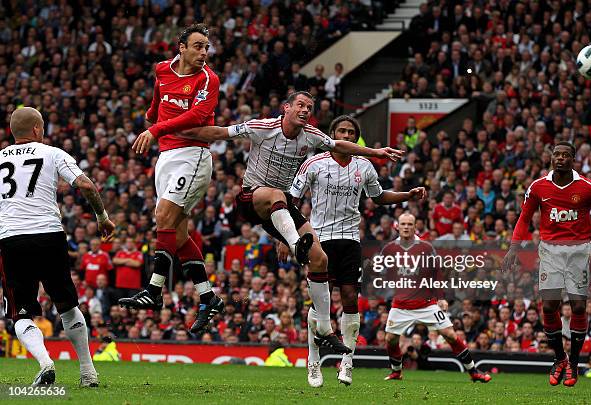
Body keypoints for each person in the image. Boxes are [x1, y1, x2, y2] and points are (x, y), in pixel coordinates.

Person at [174, 91, 403, 351]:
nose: (305, 110)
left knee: (320, 259)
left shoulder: (312, 135)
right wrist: (178, 131)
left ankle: (326, 330)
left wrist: (375, 152)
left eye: (310, 107)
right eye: (301, 105)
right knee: (275, 195)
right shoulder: (262, 127)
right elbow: (219, 133)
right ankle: (295, 243)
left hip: (282, 205)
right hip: (252, 198)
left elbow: (339, 146)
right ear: (286, 108)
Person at [288, 115, 427, 387]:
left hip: (350, 239)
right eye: (341, 130)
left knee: (350, 297)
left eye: (351, 132)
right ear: (331, 134)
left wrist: (406, 196)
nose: (347, 135)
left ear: (356, 136)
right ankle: (314, 360)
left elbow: (378, 197)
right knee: (320, 302)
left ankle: (347, 362)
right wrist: (287, 237)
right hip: (318, 238)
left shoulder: (364, 166)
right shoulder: (314, 163)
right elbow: (292, 199)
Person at [120, 24, 224, 333]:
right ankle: (208, 297)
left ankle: (154, 291)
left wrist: (154, 129)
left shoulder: (209, 80)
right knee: (177, 234)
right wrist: (153, 114)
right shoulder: (162, 69)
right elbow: (158, 95)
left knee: (162, 215)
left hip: (193, 156)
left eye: (206, 47)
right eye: (197, 46)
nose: (204, 52)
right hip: (166, 157)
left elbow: (195, 117)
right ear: (181, 48)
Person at [0, 107, 115, 386]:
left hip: (11, 238)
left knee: (21, 313)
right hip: (49, 235)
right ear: (38, 129)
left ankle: (45, 362)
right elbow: (86, 185)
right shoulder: (53, 153)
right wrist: (102, 218)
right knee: (66, 304)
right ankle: (88, 372)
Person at [503, 142, 591, 387]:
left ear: (573, 159)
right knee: (550, 306)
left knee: (578, 307)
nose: (560, 158)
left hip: (578, 250)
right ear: (551, 158)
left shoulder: (587, 187)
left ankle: (573, 362)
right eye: (556, 154)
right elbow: (524, 218)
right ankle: (559, 358)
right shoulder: (538, 187)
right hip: (550, 250)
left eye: (565, 155)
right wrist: (514, 247)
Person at [381, 213, 491, 383]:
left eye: (410, 224)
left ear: (415, 226)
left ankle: (474, 372)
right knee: (390, 339)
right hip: (401, 306)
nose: (406, 227)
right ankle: (396, 371)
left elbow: (437, 273)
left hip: (426, 304)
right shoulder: (389, 249)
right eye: (403, 224)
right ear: (397, 226)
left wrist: (441, 297)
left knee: (450, 335)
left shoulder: (425, 247)